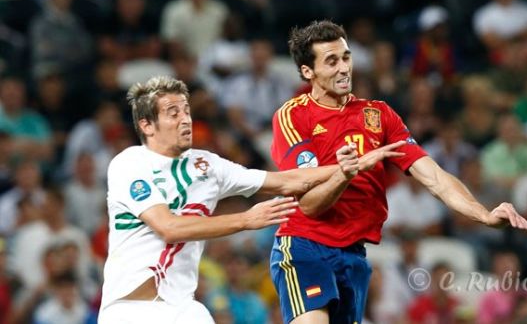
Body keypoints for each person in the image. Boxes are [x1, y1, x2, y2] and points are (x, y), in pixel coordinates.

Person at [269, 20, 527, 324]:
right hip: (304, 246)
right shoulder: (293, 116)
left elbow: (434, 177)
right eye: (331, 61)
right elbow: (309, 205)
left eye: (346, 57)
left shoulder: (378, 115)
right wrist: (345, 174)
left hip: (353, 254)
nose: (343, 68)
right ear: (308, 71)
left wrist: (483, 214)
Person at [98, 76, 402, 323]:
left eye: (186, 110)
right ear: (146, 125)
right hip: (130, 310)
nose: (185, 119)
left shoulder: (207, 165)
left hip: (183, 309)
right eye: (173, 113)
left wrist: (349, 166)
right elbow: (168, 227)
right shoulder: (129, 163)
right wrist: (246, 220)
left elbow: (286, 181)